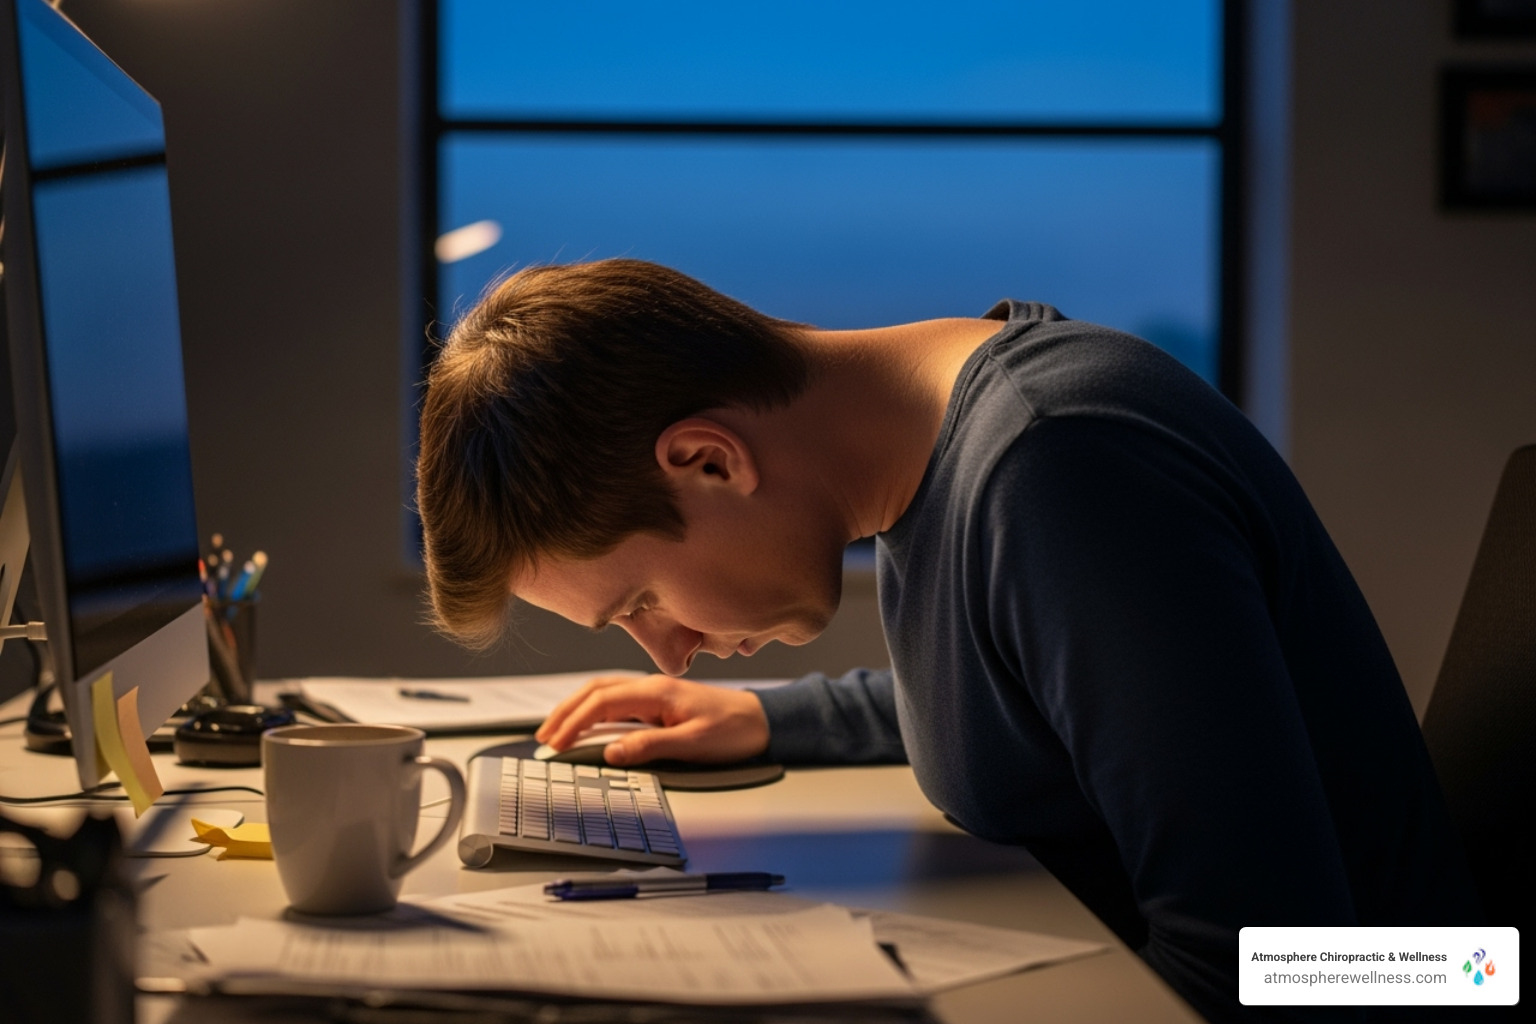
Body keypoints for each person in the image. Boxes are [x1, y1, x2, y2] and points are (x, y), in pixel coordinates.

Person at [415, 258, 1479, 1023]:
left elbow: (1271, 966)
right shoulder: (961, 446)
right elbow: (1047, 683)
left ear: (707, 459)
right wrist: (766, 716)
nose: (670, 652)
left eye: (641, 600)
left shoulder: (1062, 466)